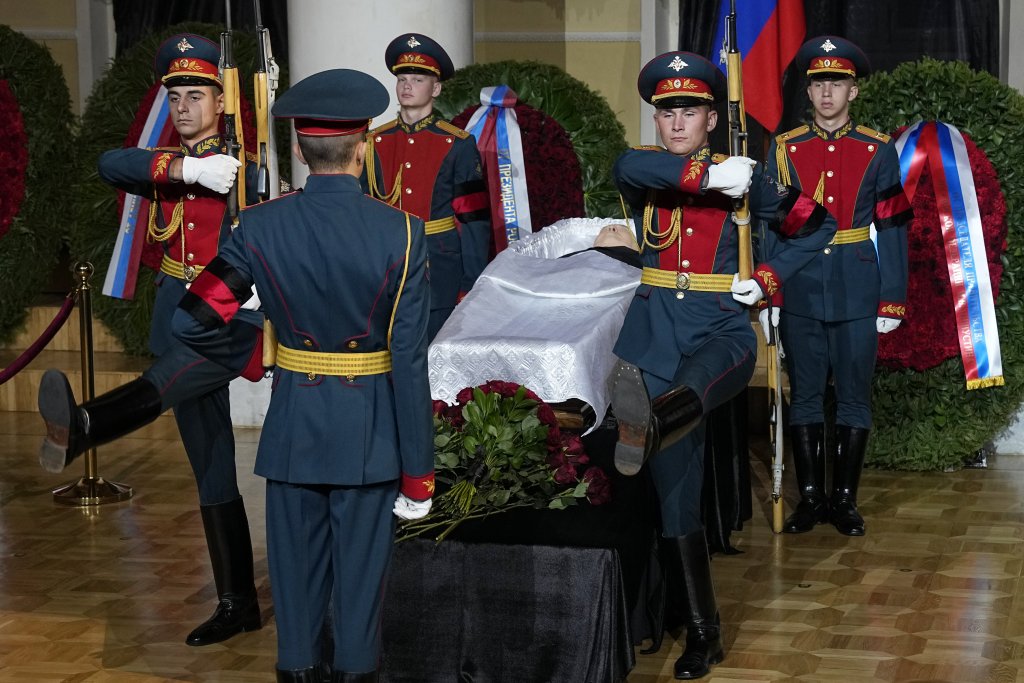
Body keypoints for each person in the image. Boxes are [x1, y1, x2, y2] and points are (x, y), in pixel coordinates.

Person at [172, 68, 435, 683]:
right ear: (363, 145)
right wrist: (418, 475)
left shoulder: (258, 225)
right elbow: (408, 362)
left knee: (294, 603)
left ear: (298, 147)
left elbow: (193, 319)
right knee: (360, 602)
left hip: (292, 433)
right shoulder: (402, 231)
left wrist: (262, 350)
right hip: (369, 440)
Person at [608, 52, 838, 680]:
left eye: (689, 111)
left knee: (684, 397)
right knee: (675, 493)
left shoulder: (751, 181)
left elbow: (820, 226)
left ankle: (645, 423)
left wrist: (767, 278)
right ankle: (702, 633)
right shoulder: (648, 172)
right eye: (666, 112)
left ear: (713, 118)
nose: (677, 121)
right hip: (653, 337)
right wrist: (711, 176)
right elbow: (627, 165)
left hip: (721, 333)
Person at [36, 33, 266, 646]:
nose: (184, 107)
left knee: (168, 385)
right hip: (177, 316)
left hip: (229, 319)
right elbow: (111, 164)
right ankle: (237, 603)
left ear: (221, 101)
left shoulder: (245, 167)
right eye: (176, 96)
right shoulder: (166, 163)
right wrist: (187, 168)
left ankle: (86, 425)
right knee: (211, 462)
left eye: (197, 95)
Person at [765, 36, 911, 537]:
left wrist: (892, 298)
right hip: (801, 285)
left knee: (853, 397)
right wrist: (772, 292)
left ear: (853, 90)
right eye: (818, 83)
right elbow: (771, 227)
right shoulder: (785, 148)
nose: (827, 93)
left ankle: (845, 500)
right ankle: (810, 498)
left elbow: (893, 226)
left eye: (837, 83)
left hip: (857, 288)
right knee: (805, 395)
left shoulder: (877, 148)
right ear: (808, 91)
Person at [361, 33, 490, 340]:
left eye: (418, 80)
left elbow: (474, 220)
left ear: (436, 88)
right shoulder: (374, 142)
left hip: (439, 269)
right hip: (384, 268)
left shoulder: (457, 144)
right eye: (402, 79)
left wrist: (471, 283)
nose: (407, 86)